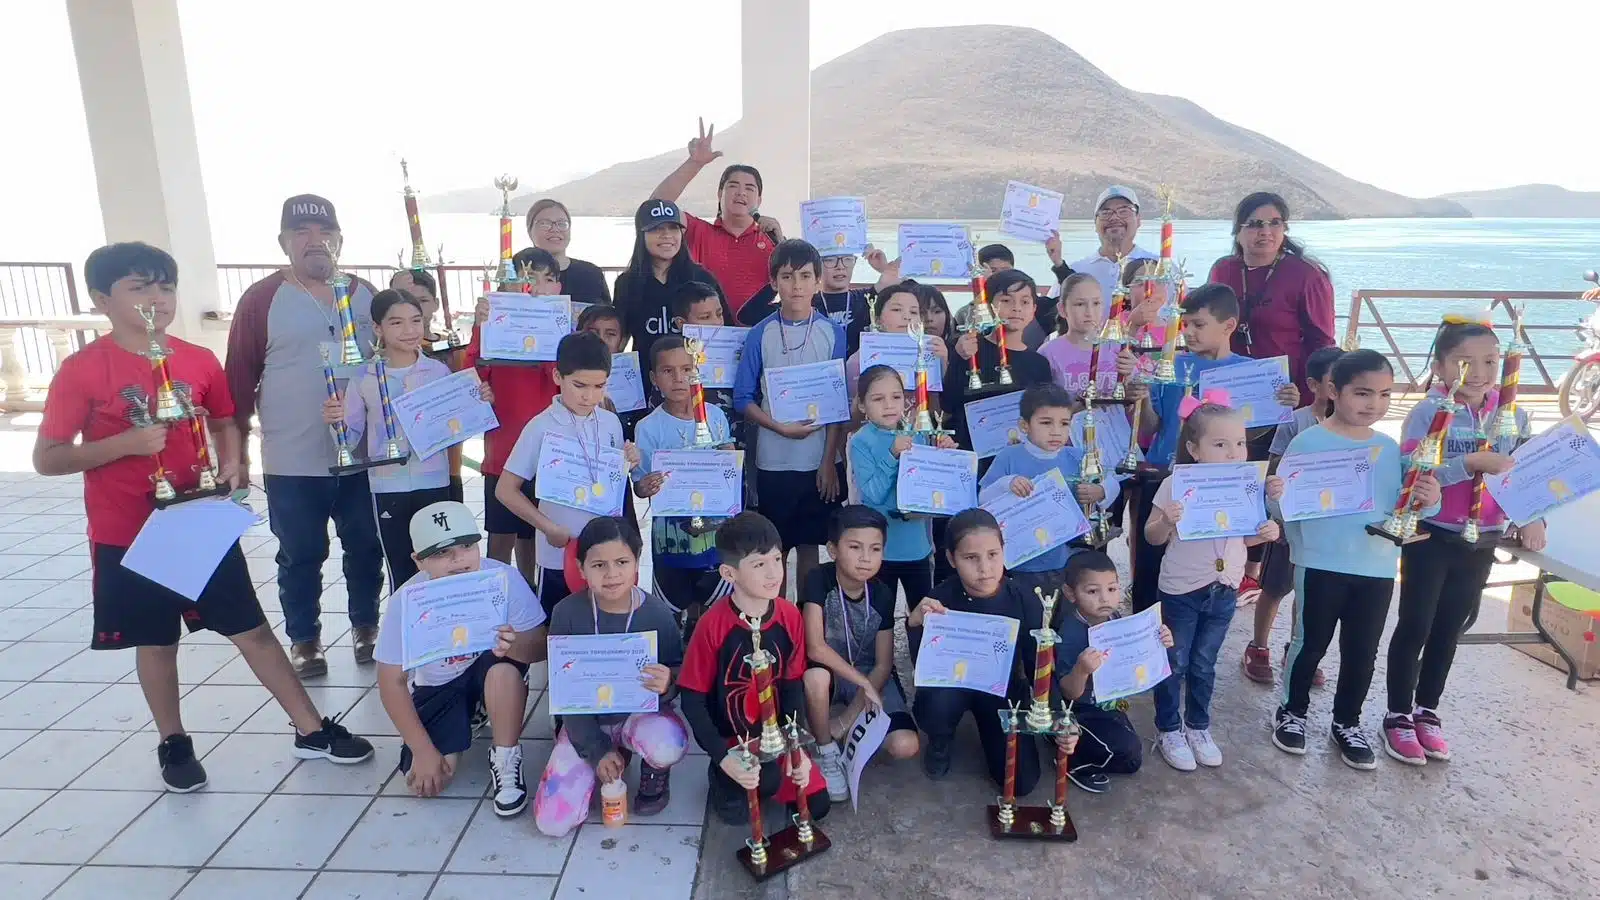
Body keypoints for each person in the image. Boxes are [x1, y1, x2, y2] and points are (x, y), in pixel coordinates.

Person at [39, 241, 376, 792]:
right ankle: (173, 742)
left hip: (197, 520)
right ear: (101, 298)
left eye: (165, 287)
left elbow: (223, 419)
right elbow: (47, 458)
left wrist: (235, 460)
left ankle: (310, 729)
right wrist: (122, 443)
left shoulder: (196, 359)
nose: (157, 299)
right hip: (127, 531)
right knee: (157, 642)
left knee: (253, 630)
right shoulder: (82, 370)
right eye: (138, 287)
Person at [225, 194, 385, 677]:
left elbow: (392, 359)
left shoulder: (365, 294)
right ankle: (305, 639)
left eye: (325, 233)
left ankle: (366, 628)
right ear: (284, 242)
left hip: (360, 455)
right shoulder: (261, 299)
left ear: (339, 239)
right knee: (299, 554)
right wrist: (238, 462)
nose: (315, 242)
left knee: (365, 547)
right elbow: (237, 384)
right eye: (301, 234)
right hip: (292, 458)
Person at [1265, 350, 1441, 770]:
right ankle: (1292, 712)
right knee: (1310, 644)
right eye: (1362, 393)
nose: (1373, 404)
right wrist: (1274, 497)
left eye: (1384, 395)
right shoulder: (1308, 441)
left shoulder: (1388, 446)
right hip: (1320, 563)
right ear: (1333, 391)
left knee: (1362, 652)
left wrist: (1429, 502)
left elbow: (1407, 509)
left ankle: (1347, 722)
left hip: (1377, 567)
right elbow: (1280, 510)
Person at [1383, 317, 1543, 765]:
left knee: (1453, 625)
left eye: (1491, 361)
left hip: (1483, 537)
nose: (1481, 372)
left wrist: (1533, 516)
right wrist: (1469, 463)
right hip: (1433, 534)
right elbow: (1411, 472)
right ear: (1440, 366)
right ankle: (1397, 714)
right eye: (1465, 362)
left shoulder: (1512, 411)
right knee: (1416, 623)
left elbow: (1529, 472)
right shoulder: (1426, 411)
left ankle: (1427, 710)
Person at [1121, 284, 1294, 613]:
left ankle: (1195, 639)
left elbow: (1252, 435)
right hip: (1165, 474)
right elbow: (1150, 428)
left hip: (1219, 485)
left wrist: (1281, 405)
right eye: (1185, 324)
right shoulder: (1167, 364)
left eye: (1198, 325)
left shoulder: (1251, 372)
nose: (1188, 332)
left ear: (1228, 326)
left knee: (1205, 570)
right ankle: (1145, 640)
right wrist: (1141, 400)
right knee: (1150, 565)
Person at [373, 501, 546, 814]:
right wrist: (422, 750)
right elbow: (390, 681)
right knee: (428, 779)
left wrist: (513, 645)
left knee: (503, 673)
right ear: (418, 561)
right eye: (441, 552)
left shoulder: (503, 578)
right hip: (440, 685)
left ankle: (506, 756)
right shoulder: (406, 601)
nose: (457, 559)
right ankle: (470, 717)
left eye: (467, 546)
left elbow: (540, 647)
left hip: (491, 673)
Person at [1142, 403, 1279, 771]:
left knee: (1205, 663)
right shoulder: (1175, 484)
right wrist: (1166, 521)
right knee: (1175, 660)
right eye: (1220, 444)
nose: (1234, 452)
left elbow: (1244, 538)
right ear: (1194, 449)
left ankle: (1198, 726)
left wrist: (1267, 531)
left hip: (1225, 587)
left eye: (1239, 443)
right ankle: (1168, 728)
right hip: (1182, 589)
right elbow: (1151, 538)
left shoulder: (1247, 485)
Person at [537, 517, 687, 834]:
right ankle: (605, 757)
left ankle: (653, 770)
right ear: (581, 569)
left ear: (637, 562)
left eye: (622, 562)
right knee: (552, 823)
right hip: (587, 717)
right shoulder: (567, 613)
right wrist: (596, 749)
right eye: (599, 565)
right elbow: (565, 694)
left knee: (669, 743)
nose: (611, 574)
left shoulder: (657, 614)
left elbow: (676, 670)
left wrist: (667, 684)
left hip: (638, 714)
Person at [679, 512, 830, 825]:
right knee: (744, 806)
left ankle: (774, 775)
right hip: (734, 736)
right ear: (729, 573)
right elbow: (691, 700)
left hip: (776, 734)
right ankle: (722, 778)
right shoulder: (712, 625)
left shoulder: (789, 616)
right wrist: (723, 757)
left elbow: (791, 687)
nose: (774, 572)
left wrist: (796, 747)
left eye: (776, 559)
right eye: (759, 565)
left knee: (819, 806)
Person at [907, 509, 1078, 785]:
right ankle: (940, 739)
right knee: (936, 705)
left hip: (1003, 691)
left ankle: (992, 730)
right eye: (970, 558)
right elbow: (923, 668)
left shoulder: (1025, 598)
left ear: (1003, 551)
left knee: (1021, 782)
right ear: (951, 559)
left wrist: (1059, 717)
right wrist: (915, 625)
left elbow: (1040, 663)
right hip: (953, 688)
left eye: (992, 555)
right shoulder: (940, 600)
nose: (984, 568)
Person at [323, 289, 461, 589]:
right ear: (377, 328)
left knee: (441, 563)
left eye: (416, 320)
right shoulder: (364, 376)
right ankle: (404, 631)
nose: (410, 330)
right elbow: (350, 437)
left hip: (433, 481)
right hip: (388, 485)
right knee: (401, 566)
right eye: (396, 323)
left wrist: (476, 402)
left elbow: (457, 427)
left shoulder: (439, 372)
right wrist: (337, 422)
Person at [733, 240, 849, 597]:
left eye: (804, 276)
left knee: (811, 548)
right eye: (787, 277)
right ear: (774, 283)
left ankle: (806, 621)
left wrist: (828, 461)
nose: (796, 285)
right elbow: (742, 399)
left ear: (818, 282)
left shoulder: (833, 332)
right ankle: (774, 621)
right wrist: (778, 427)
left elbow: (838, 404)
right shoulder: (761, 333)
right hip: (774, 461)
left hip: (818, 462)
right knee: (775, 551)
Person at [495, 331, 639, 613]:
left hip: (605, 553)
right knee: (558, 628)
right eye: (579, 385)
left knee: (606, 624)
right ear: (557, 376)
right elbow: (505, 489)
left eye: (600, 386)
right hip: (558, 552)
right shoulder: (540, 427)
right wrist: (546, 526)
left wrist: (627, 462)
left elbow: (609, 480)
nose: (589, 396)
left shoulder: (610, 422)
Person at [801, 506, 921, 802]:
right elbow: (815, 646)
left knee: (906, 745)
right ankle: (827, 751)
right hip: (827, 668)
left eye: (875, 549)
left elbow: (883, 663)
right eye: (854, 547)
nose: (866, 558)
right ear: (833, 549)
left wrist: (850, 713)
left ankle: (851, 732)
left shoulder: (881, 593)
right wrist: (863, 684)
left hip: (867, 671)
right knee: (815, 679)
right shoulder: (818, 579)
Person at [1242, 345, 1344, 685]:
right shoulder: (1295, 420)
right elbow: (1274, 465)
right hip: (1289, 523)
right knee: (1275, 586)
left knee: (1308, 592)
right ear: (1314, 385)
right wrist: (1277, 506)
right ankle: (1259, 646)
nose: (1339, 389)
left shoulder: (1350, 428)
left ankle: (1298, 649)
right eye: (1334, 380)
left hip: (1326, 528)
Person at [465, 248, 564, 590]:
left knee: (532, 536)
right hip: (503, 452)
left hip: (549, 455)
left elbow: (567, 378)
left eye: (547, 279)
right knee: (500, 538)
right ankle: (494, 603)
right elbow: (472, 371)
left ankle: (528, 602)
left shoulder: (561, 328)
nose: (537, 287)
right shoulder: (493, 325)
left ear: (559, 286)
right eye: (528, 278)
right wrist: (482, 325)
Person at [632, 335, 736, 623]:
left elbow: (729, 476)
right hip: (671, 537)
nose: (679, 378)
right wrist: (646, 484)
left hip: (716, 534)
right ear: (654, 378)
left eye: (687, 369)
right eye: (668, 371)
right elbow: (639, 487)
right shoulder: (648, 427)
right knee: (671, 610)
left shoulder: (715, 417)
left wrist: (729, 458)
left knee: (717, 611)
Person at [980, 384, 1119, 597]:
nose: (1056, 431)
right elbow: (982, 499)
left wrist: (1100, 491)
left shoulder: (1078, 457)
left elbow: (1113, 483)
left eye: (1064, 424)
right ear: (1024, 425)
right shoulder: (1009, 457)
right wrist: (1007, 484)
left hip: (1066, 562)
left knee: (1057, 619)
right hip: (1018, 564)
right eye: (1046, 423)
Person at [1055, 551, 1168, 793]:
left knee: (1131, 757)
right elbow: (1068, 692)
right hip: (1080, 711)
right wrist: (1081, 670)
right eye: (1093, 591)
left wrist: (1159, 640)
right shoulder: (1072, 632)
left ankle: (1079, 747)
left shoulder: (1114, 617)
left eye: (1113, 589)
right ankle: (1072, 763)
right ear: (1070, 593)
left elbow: (1136, 654)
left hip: (1108, 704)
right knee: (1127, 755)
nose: (1104, 599)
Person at [847, 365, 958, 606]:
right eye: (878, 399)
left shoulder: (917, 434)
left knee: (921, 612)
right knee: (880, 617)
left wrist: (944, 453)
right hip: (880, 550)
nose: (889, 405)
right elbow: (873, 493)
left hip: (916, 546)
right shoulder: (861, 441)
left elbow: (931, 483)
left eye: (896, 397)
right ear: (863, 406)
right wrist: (892, 455)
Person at [650, 119, 784, 315]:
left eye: (749, 188)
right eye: (733, 186)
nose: (741, 193)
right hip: (703, 335)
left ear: (759, 199)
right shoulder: (698, 231)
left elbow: (796, 283)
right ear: (720, 194)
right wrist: (694, 163)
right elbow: (656, 207)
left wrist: (781, 242)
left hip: (757, 335)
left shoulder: (772, 240)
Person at [1207, 191, 1336, 392]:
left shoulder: (1307, 275)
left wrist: (1306, 394)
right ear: (1237, 233)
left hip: (1287, 391)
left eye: (1275, 223)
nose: (1266, 231)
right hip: (1229, 384)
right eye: (1255, 224)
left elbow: (1322, 343)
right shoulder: (1222, 271)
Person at [944, 269, 1054, 452]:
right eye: (1006, 300)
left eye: (1025, 302)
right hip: (969, 454)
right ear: (987, 306)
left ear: (1034, 309)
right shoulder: (969, 347)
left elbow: (1041, 415)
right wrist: (958, 358)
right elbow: (948, 404)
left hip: (1016, 458)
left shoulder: (1039, 364)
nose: (1016, 308)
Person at [612, 199, 730, 367]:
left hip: (697, 380)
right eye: (657, 228)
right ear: (641, 234)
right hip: (647, 381)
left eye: (673, 228)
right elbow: (619, 339)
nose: (666, 235)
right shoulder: (626, 284)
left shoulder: (703, 278)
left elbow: (727, 333)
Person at [391, 269, 468, 503]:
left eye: (422, 301)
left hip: (446, 465)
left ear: (434, 304)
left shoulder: (452, 349)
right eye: (404, 298)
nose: (414, 307)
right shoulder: (383, 355)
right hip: (397, 471)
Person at [843, 281, 949, 401]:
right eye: (897, 309)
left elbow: (940, 409)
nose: (907, 317)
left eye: (914, 312)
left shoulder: (931, 352)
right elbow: (854, 416)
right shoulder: (858, 361)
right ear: (877, 320)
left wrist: (943, 365)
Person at [1070, 186, 1158, 315]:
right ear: (1095, 223)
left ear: (1138, 219)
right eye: (1106, 213)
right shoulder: (1075, 271)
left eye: (1124, 211)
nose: (1114, 218)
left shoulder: (1160, 268)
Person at [524, 198, 613, 304]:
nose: (555, 229)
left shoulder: (592, 274)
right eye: (544, 223)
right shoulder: (517, 275)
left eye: (562, 224)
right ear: (529, 231)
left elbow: (607, 317)